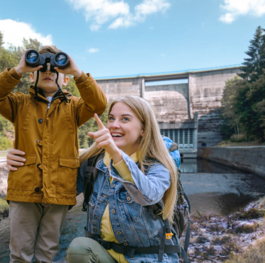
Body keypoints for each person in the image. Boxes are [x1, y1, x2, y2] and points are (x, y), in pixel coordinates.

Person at [9, 96, 181, 262]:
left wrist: (116, 153)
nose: (114, 125)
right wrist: (24, 163)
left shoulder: (158, 164)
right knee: (79, 249)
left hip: (147, 258)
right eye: (111, 118)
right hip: (102, 255)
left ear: (143, 129)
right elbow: (55, 191)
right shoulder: (93, 162)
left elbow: (148, 195)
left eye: (125, 119)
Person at [1, 46, 107, 262]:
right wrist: (17, 70)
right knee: (19, 253)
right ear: (32, 75)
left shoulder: (75, 107)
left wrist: (77, 73)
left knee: (47, 253)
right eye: (42, 68)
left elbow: (99, 104)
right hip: (24, 189)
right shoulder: (19, 103)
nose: (48, 71)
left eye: (55, 69)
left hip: (60, 190)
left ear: (65, 79)